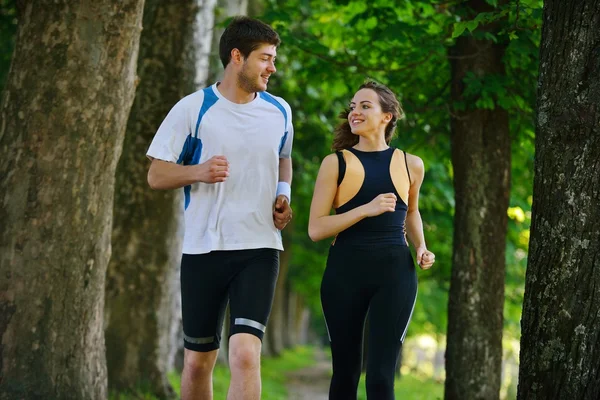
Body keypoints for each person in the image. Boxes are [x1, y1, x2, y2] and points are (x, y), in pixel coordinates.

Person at [146, 16, 293, 400]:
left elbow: (284, 157)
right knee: (198, 362)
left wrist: (283, 195)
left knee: (245, 354)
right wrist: (198, 171)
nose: (272, 68)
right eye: (265, 58)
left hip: (260, 246)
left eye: (273, 59)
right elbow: (156, 175)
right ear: (236, 56)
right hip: (203, 248)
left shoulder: (280, 111)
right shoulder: (193, 109)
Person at [308, 81, 435, 399]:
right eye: (353, 106)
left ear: (387, 116)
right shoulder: (334, 163)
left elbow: (411, 213)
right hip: (343, 273)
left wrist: (421, 246)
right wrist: (366, 209)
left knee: (380, 379)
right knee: (346, 375)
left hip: (395, 274)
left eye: (365, 106)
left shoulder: (411, 164)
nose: (355, 111)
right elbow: (316, 228)